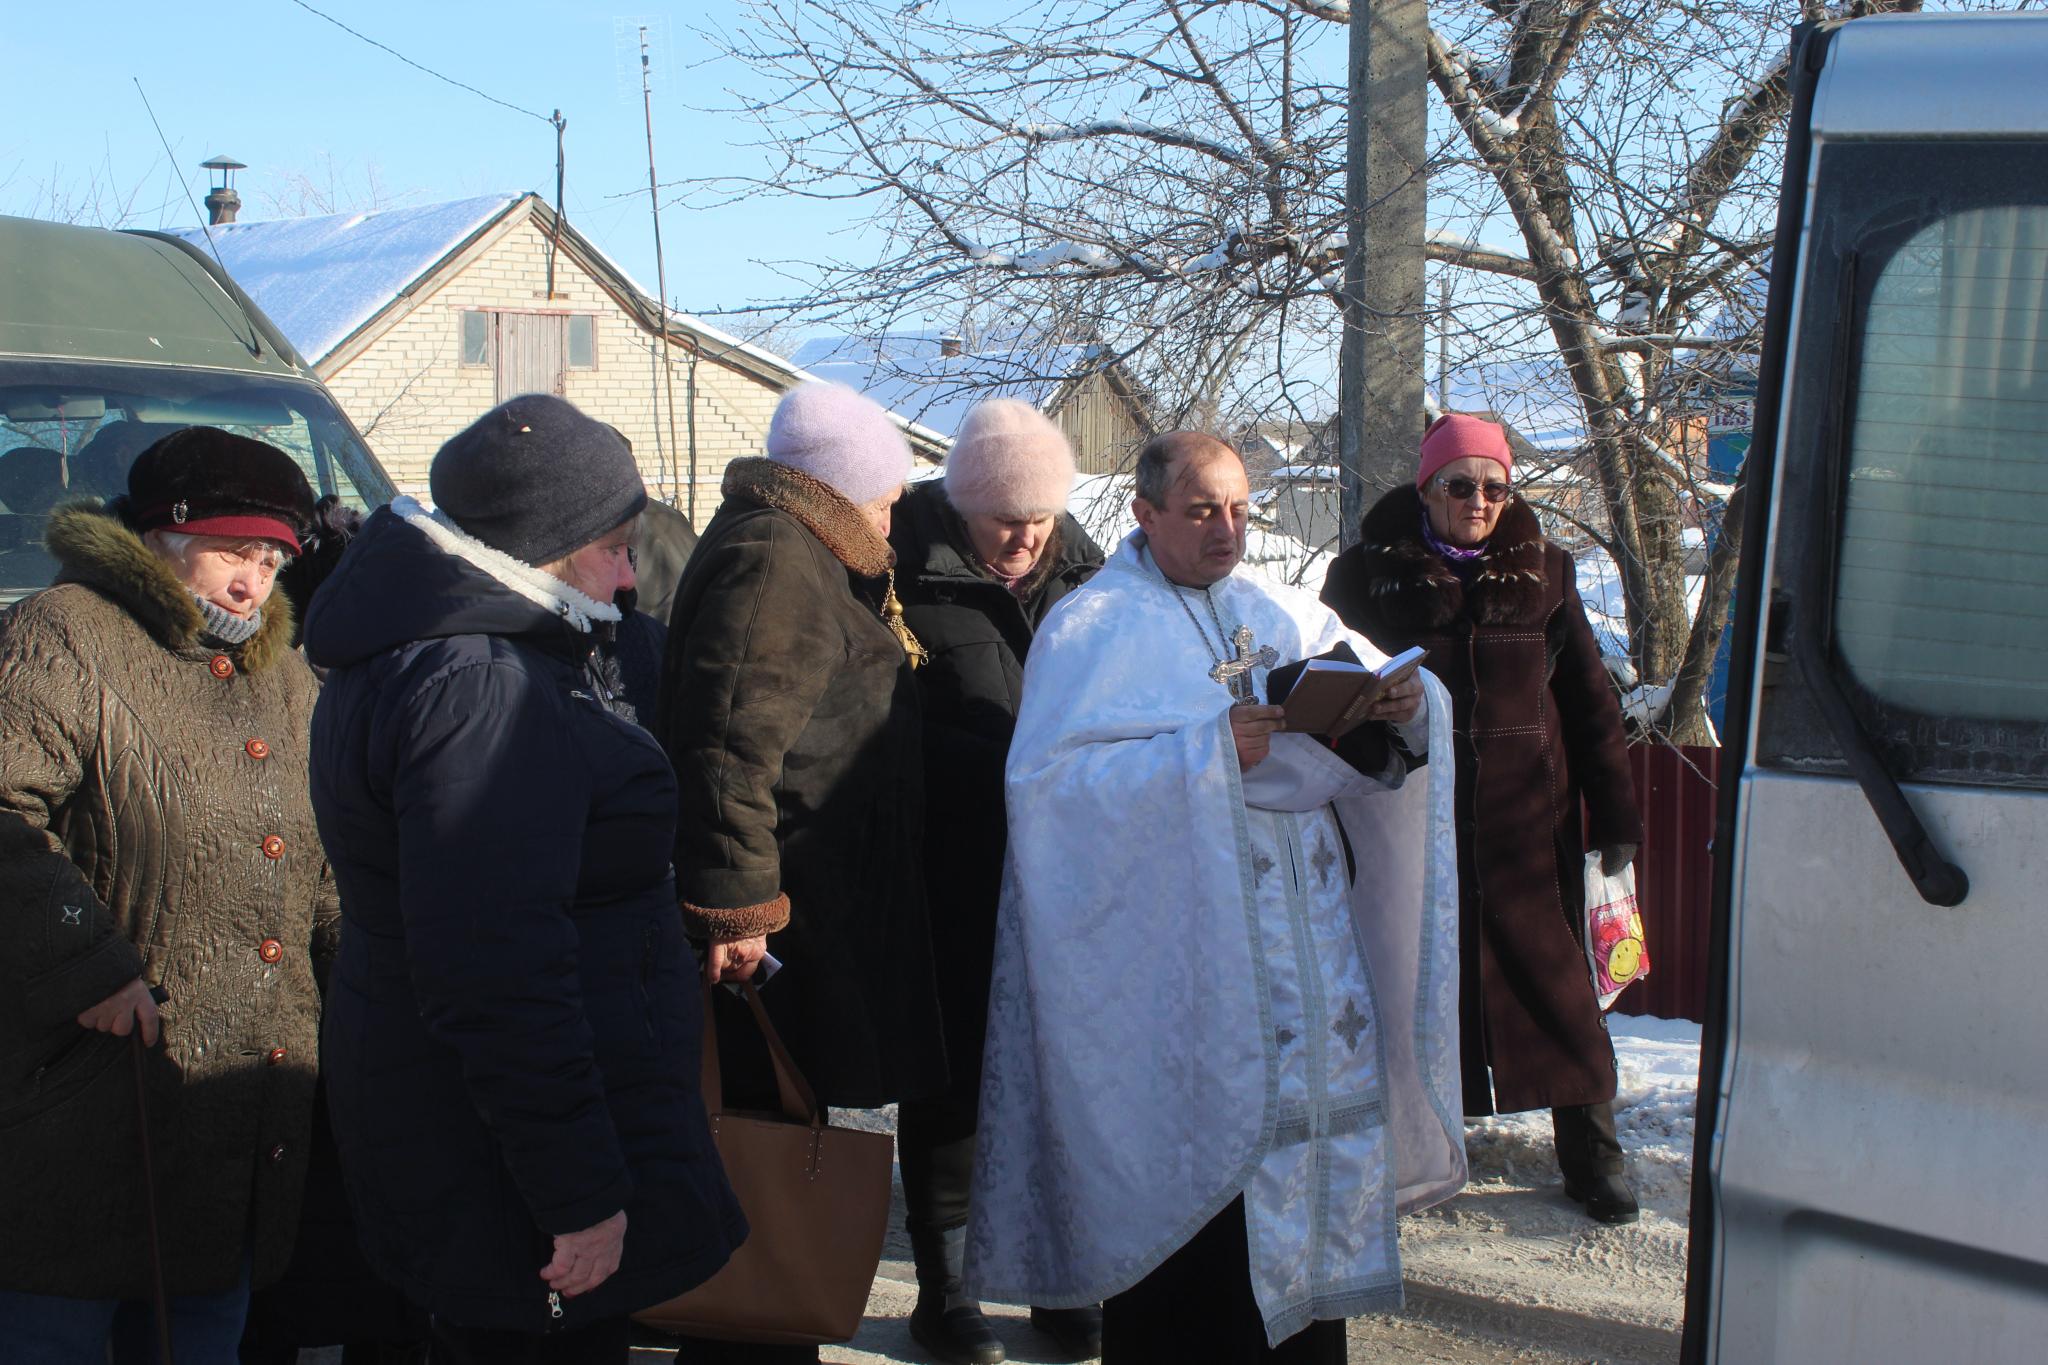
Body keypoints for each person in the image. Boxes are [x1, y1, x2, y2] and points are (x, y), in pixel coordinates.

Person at [967, 432, 1467, 1364]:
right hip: (1188, 986)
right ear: (1145, 514)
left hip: (1311, 972)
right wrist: (1203, 754)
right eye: (1202, 510)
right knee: (1199, 1264)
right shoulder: (1092, 627)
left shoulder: (1275, 605)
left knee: (1307, 1200)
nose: (1227, 528)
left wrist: (1405, 704)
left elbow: (1375, 692)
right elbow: (1048, 796)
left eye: (1238, 507)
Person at [303, 394, 747, 1365]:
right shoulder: (477, 689)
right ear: (539, 546)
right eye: (613, 549)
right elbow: (494, 969)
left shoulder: (476, 648)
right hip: (504, 1159)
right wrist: (579, 1196)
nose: (631, 579)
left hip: (476, 1124)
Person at [0, 428, 332, 1361]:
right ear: (161, 537)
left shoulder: (286, 677)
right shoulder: (64, 634)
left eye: (271, 558)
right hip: (80, 1091)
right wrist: (87, 966)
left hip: (239, 1116)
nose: (253, 582)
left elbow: (323, 861)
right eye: (235, 550)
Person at [656, 382, 946, 1364]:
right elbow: (728, 742)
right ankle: (750, 1327)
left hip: (811, 909)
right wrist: (736, 912)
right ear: (844, 486)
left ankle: (761, 1329)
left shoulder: (801, 552)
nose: (894, 512)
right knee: (761, 1147)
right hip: (777, 932)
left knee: (775, 1132)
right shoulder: (774, 558)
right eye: (888, 493)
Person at [1319, 412, 1646, 1224]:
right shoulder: (1362, 577)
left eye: (1495, 486)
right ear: (1426, 487)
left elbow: (1592, 706)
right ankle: (1410, 1147)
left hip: (1524, 824)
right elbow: (1322, 683)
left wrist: (1615, 817)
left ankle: (1592, 1151)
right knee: (1411, 978)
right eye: (1460, 484)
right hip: (1406, 819)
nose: (1479, 500)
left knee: (1558, 984)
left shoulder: (1548, 571)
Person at [887, 400, 1106, 1365]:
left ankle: (1064, 1280)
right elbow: (872, 723)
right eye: (1001, 519)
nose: (1022, 538)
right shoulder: (894, 571)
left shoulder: (1095, 580)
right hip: (952, 866)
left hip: (1071, 875)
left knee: (1068, 1080)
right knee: (955, 1086)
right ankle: (950, 1290)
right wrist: (1001, 766)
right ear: (962, 503)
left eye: (1040, 519)